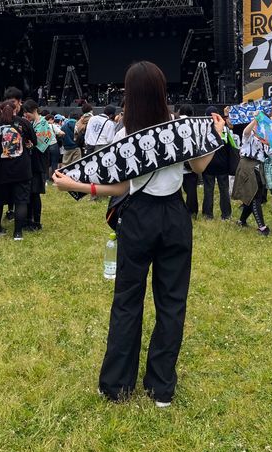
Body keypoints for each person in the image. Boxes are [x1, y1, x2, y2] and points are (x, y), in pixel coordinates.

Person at [53, 60, 225, 406]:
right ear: (162, 91)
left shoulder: (124, 136)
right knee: (172, 302)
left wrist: (78, 186)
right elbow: (199, 167)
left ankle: (117, 386)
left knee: (127, 300)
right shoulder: (179, 128)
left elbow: (121, 188)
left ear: (129, 94)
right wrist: (215, 136)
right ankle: (162, 388)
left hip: (138, 217)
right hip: (175, 216)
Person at [0, 99, 36, 240]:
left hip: (2, 169)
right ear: (16, 109)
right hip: (22, 169)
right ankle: (18, 233)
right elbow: (34, 140)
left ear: (1, 110)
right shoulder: (24, 123)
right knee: (21, 201)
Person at [232, 116, 271, 235]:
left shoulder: (265, 136)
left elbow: (268, 152)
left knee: (254, 195)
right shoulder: (250, 134)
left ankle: (242, 221)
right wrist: (256, 120)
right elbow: (246, 132)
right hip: (247, 166)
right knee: (255, 195)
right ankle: (262, 227)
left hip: (258, 166)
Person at [201, 105, 232, 222]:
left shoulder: (203, 131)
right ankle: (226, 215)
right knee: (224, 190)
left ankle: (207, 214)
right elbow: (230, 147)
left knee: (208, 190)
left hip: (208, 164)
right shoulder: (225, 129)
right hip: (223, 164)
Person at [22, 99, 47, 231]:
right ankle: (29, 219)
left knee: (35, 192)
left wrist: (31, 144)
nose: (26, 115)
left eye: (27, 112)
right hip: (30, 162)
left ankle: (36, 221)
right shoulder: (32, 123)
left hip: (38, 162)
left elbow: (42, 145)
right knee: (30, 193)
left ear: (34, 110)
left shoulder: (43, 123)